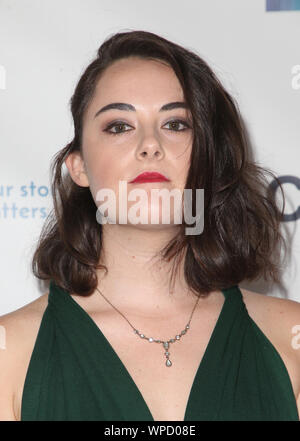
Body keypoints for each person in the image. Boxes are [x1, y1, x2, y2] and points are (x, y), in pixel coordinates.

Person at [0, 30, 299, 421]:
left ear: (210, 161)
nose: (150, 144)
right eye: (119, 126)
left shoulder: (289, 338)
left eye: (176, 124)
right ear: (79, 166)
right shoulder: (12, 354)